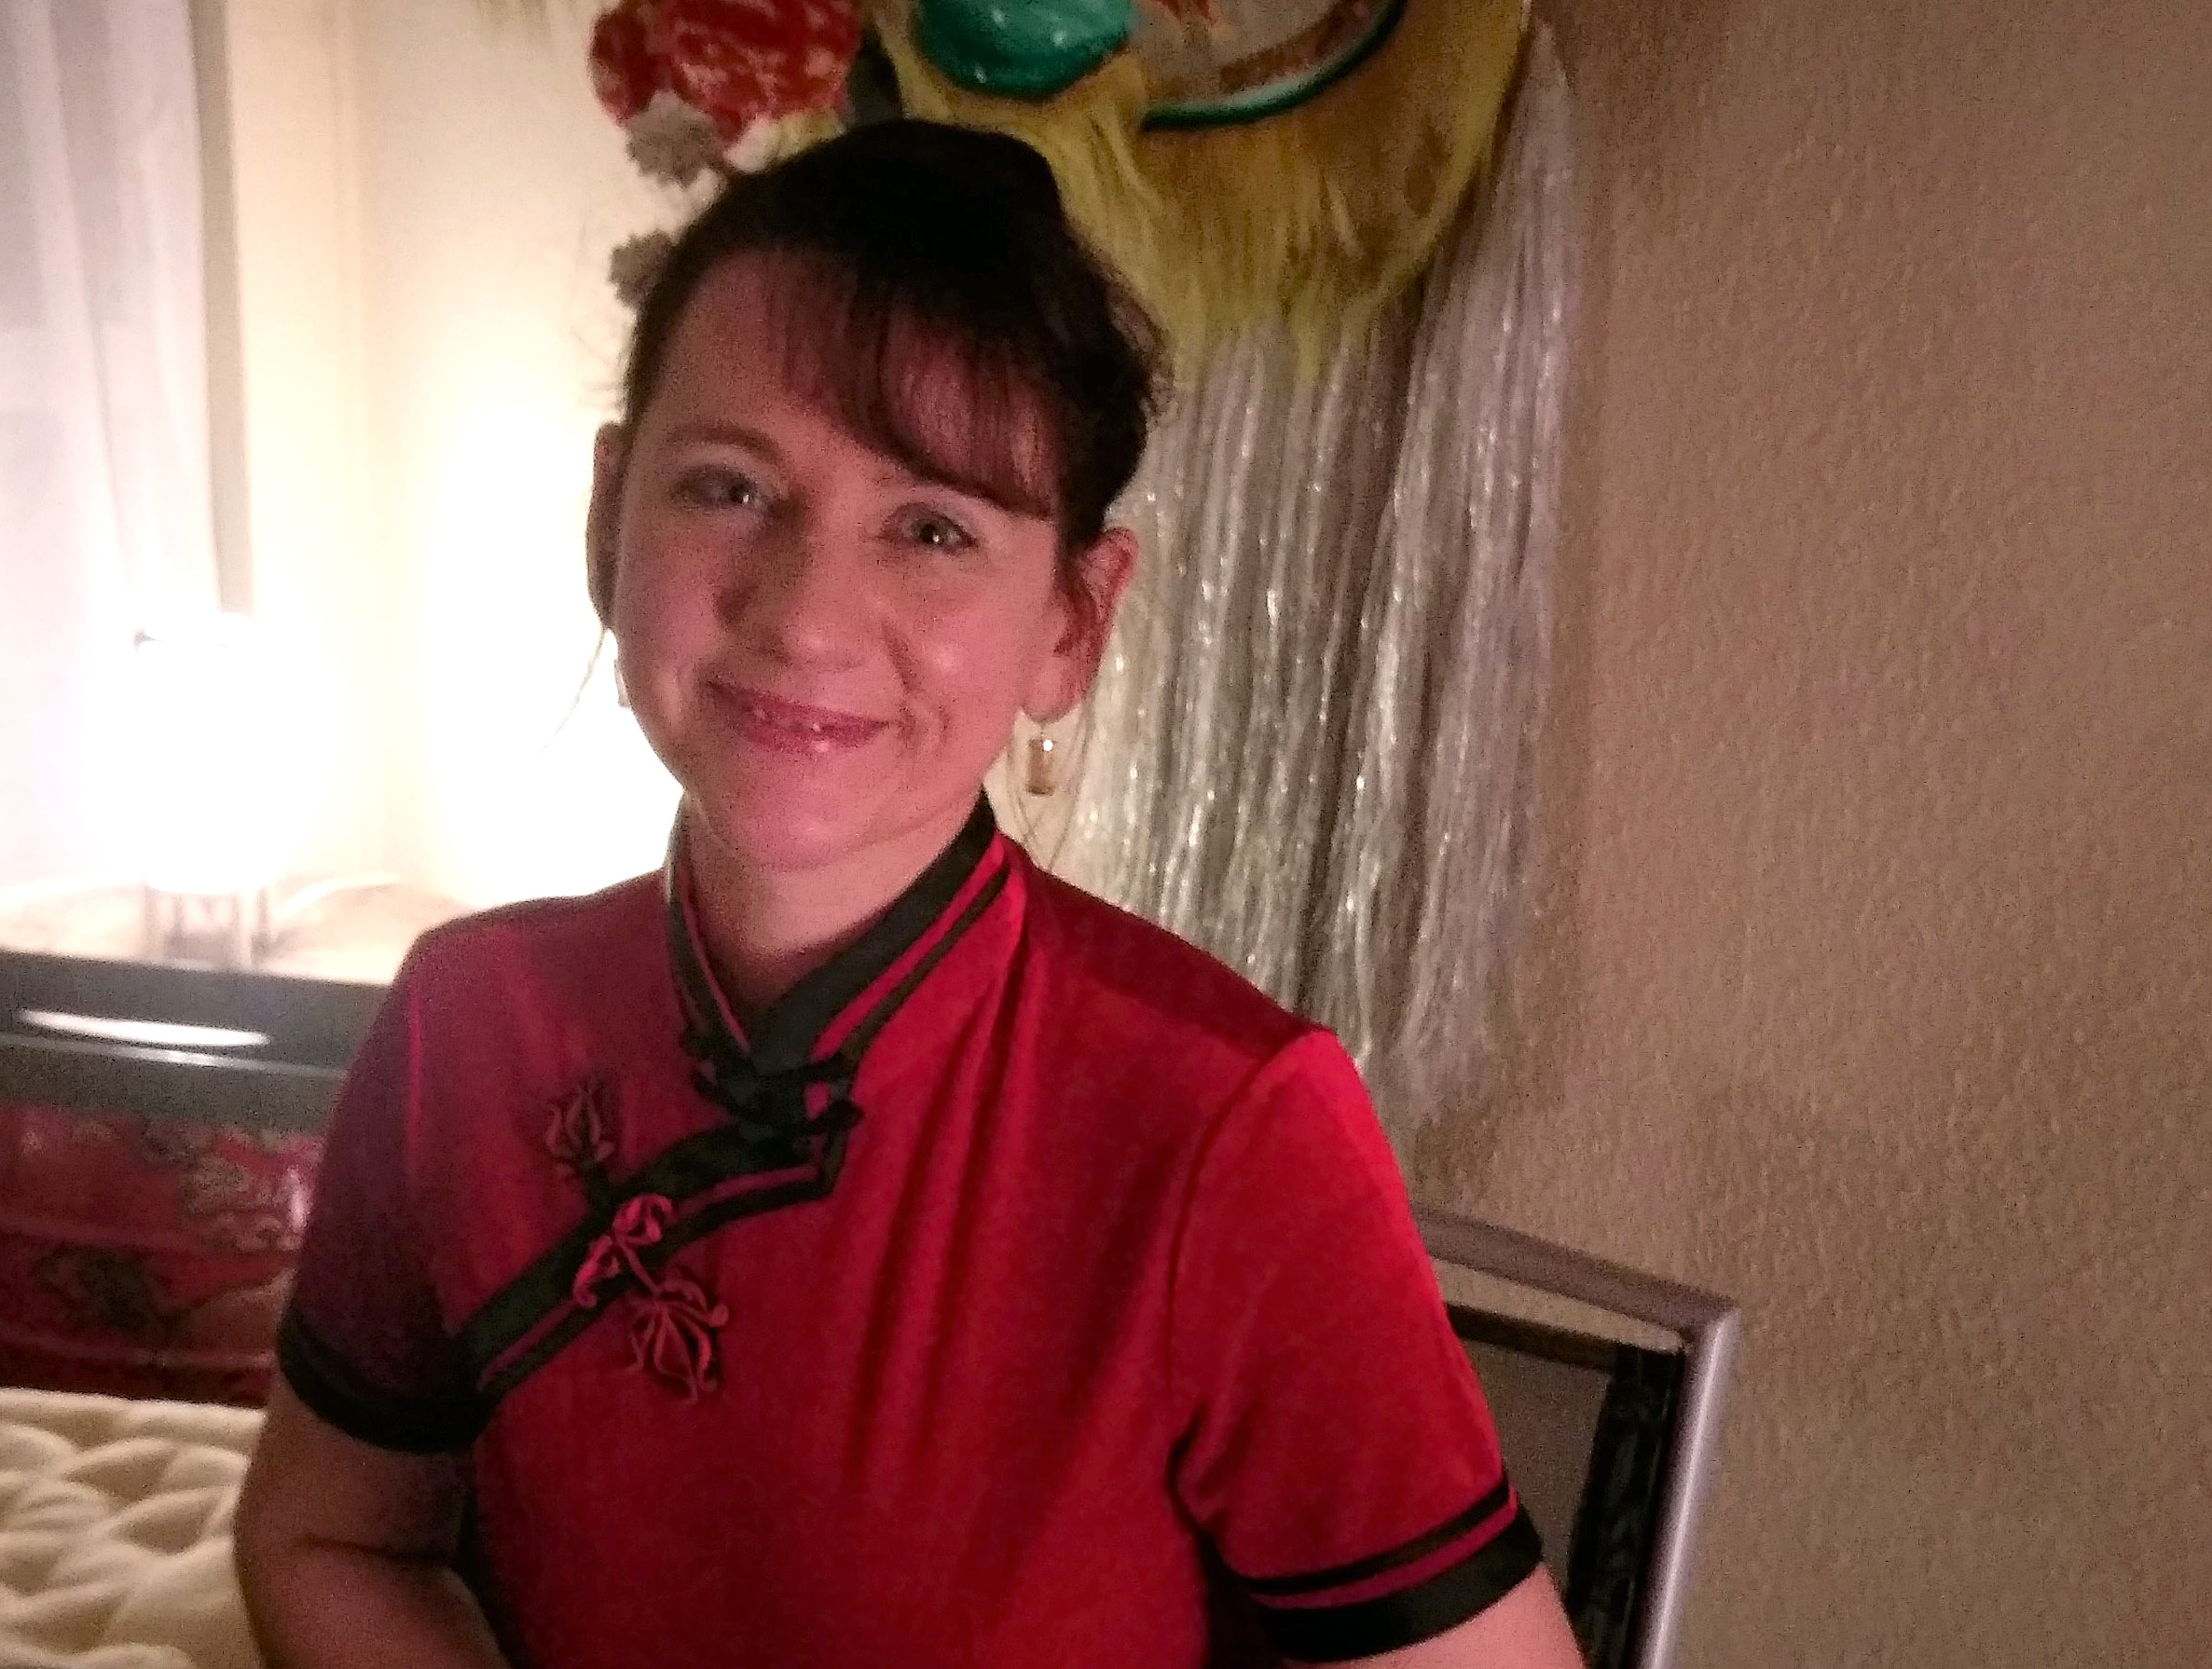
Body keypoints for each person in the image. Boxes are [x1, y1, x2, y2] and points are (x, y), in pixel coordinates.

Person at [230, 121, 1585, 1669]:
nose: (807, 617)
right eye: (732, 488)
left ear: (1073, 624)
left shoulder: (1223, 1127)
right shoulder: (466, 1027)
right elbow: (328, 1536)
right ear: (609, 518)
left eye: (933, 527)